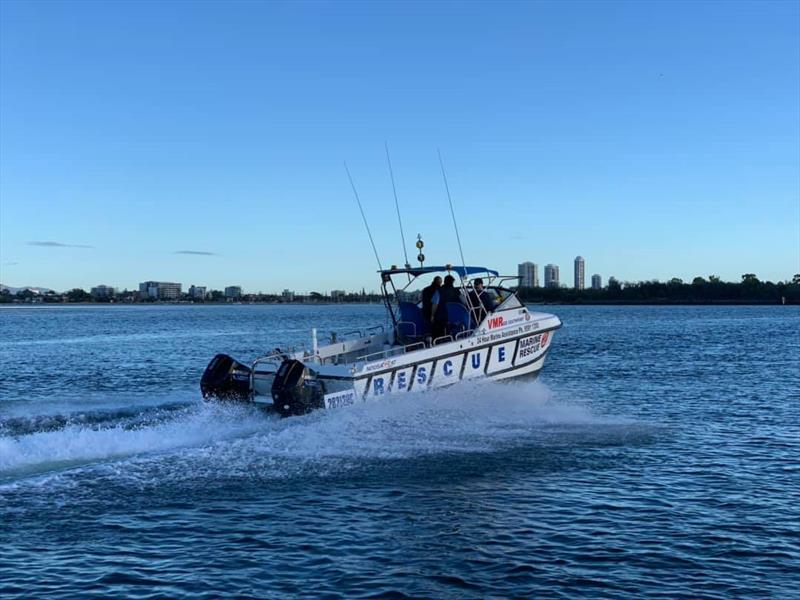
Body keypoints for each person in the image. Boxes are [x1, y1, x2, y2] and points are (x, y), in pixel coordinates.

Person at [432, 274, 465, 339]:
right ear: (452, 282)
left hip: (442, 317)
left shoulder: (439, 291)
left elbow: (434, 304)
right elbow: (465, 302)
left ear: (444, 281)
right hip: (456, 317)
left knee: (438, 328)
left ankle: (439, 340)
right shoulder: (456, 291)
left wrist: (432, 315)